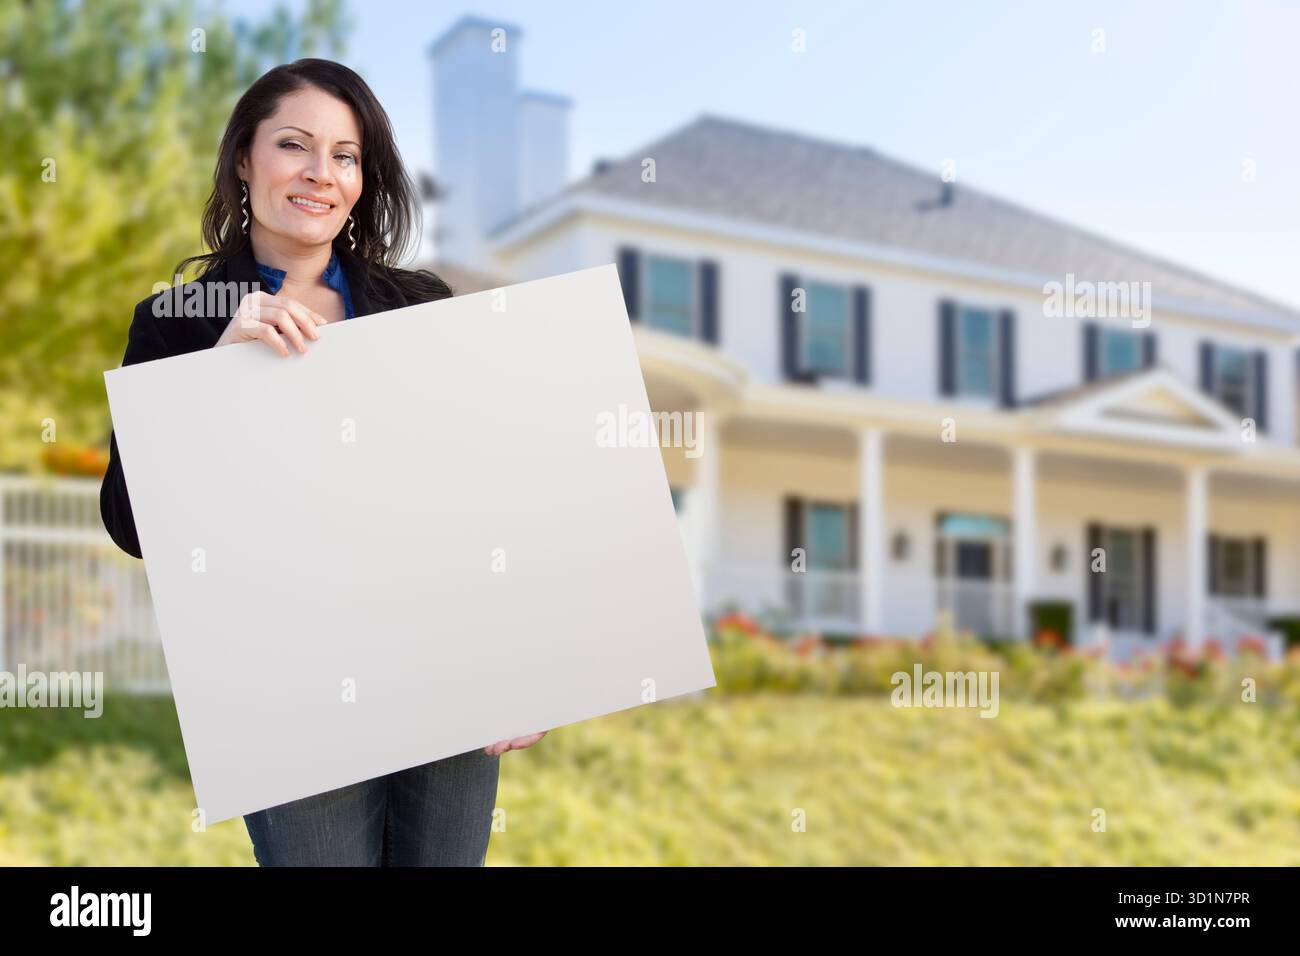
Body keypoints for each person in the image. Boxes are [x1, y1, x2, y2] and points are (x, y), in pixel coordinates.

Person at [99, 58, 545, 866]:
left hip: (441, 659)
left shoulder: (419, 308)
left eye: (345, 154)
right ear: (244, 159)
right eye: (294, 145)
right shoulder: (177, 321)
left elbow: (481, 498)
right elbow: (131, 524)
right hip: (287, 692)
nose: (321, 174)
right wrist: (216, 382)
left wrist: (516, 660)